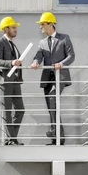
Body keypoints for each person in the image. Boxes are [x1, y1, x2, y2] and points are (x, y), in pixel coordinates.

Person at [30, 12, 75, 146]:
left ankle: (54, 130)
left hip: (60, 76)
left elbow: (71, 56)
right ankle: (57, 138)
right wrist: (35, 62)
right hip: (47, 77)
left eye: (42, 24)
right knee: (51, 106)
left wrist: (61, 64)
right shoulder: (42, 42)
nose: (41, 27)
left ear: (51, 24)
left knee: (52, 99)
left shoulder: (64, 38)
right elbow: (38, 56)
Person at [0, 16, 24, 146]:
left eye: (15, 27)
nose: (15, 29)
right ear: (6, 29)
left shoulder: (12, 44)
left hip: (15, 80)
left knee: (20, 109)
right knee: (7, 111)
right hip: (6, 80)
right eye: (13, 27)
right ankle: (11, 139)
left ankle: (12, 138)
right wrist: (11, 62)